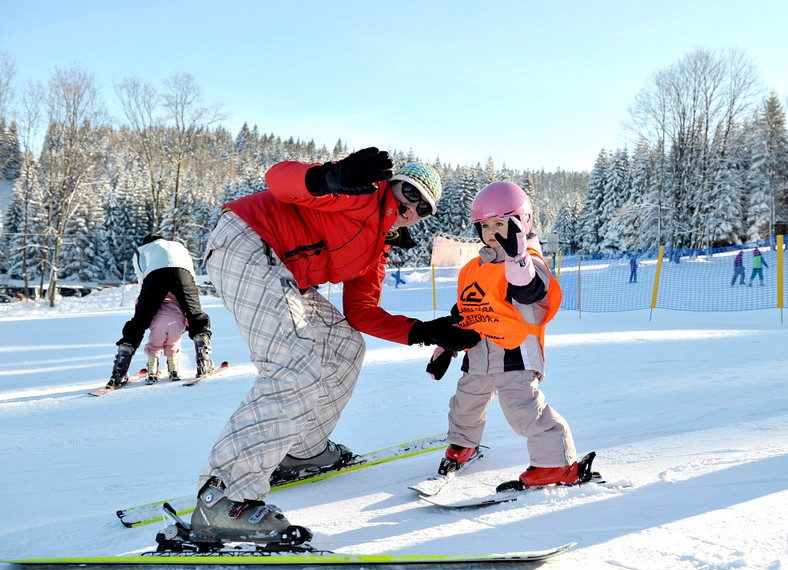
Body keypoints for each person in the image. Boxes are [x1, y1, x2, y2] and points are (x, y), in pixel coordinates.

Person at [193, 147, 481, 545]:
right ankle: (223, 498)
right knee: (293, 365)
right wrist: (330, 177)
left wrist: (425, 331)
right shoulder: (358, 193)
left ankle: (301, 451)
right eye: (407, 191)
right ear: (392, 184)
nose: (410, 207)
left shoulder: (375, 252)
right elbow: (277, 178)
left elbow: (360, 312)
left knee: (345, 344)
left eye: (423, 207)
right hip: (247, 241)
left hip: (284, 274)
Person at [427, 182, 582, 489]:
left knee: (524, 411)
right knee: (464, 404)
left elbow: (529, 291)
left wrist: (517, 257)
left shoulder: (529, 261)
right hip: (478, 354)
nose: (491, 232)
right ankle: (463, 444)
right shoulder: (473, 268)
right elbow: (463, 312)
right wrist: (444, 348)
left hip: (515, 353)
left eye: (500, 223)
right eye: (485, 226)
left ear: (521, 222)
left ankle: (558, 463)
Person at [106, 234, 214, 389]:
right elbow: (191, 271)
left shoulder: (143, 250)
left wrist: (149, 303)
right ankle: (204, 361)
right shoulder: (179, 246)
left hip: (156, 275)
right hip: (183, 274)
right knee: (196, 316)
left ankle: (119, 371)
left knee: (138, 323)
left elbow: (141, 276)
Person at [142, 292, 187, 382]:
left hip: (159, 319)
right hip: (177, 319)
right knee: (172, 345)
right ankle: (173, 370)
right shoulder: (179, 285)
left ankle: (152, 370)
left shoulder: (153, 284)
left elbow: (141, 302)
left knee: (155, 345)